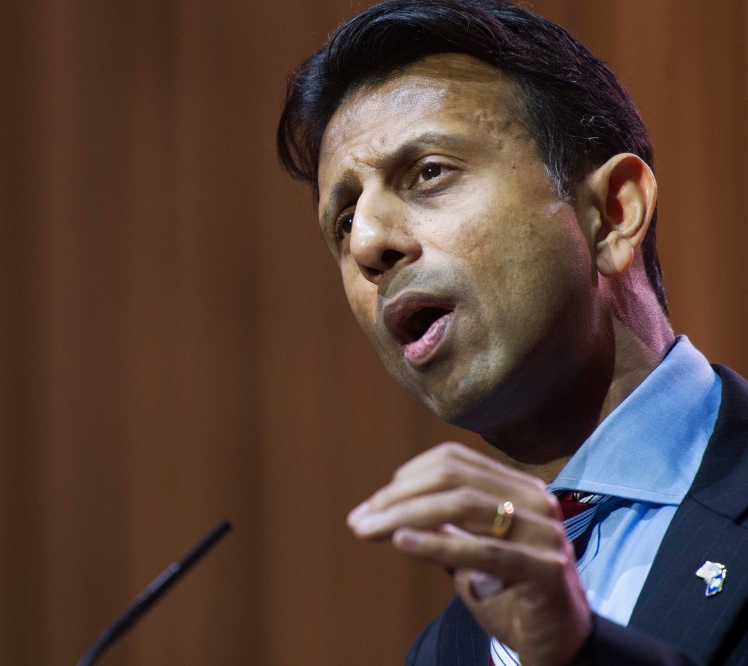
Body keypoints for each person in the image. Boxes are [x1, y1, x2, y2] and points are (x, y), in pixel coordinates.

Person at [276, 1, 748, 664]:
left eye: (429, 172)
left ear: (613, 214)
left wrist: (578, 653)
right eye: (345, 220)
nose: (368, 244)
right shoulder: (444, 650)